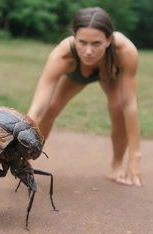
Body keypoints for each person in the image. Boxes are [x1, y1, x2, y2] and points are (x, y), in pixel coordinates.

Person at [27, 7, 143, 187]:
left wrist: (135, 157)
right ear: (74, 37)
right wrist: (20, 141)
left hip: (110, 73)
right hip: (76, 73)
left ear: (109, 39)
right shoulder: (62, 54)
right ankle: (25, 158)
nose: (88, 51)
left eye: (96, 43)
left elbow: (130, 105)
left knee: (118, 107)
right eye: (82, 42)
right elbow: (38, 106)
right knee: (51, 108)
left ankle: (117, 164)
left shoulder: (125, 51)